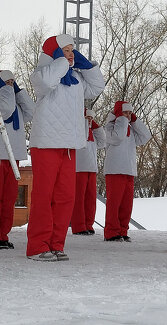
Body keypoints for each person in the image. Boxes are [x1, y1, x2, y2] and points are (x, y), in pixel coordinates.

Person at [27, 34, 105, 262]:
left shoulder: (78, 79)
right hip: (47, 143)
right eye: (66, 49)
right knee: (44, 195)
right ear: (54, 53)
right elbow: (46, 83)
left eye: (73, 50)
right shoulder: (42, 74)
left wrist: (88, 66)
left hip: (70, 144)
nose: (71, 54)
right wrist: (61, 61)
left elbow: (97, 86)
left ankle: (56, 244)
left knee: (65, 197)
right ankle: (37, 247)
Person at [0, 70, 34, 250]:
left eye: (13, 81)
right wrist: (6, 91)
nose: (11, 84)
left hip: (14, 157)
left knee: (9, 197)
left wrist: (20, 92)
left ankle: (2, 234)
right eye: (7, 81)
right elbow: (5, 111)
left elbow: (31, 113)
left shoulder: (13, 99)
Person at [103, 101, 151, 242]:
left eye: (130, 113)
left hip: (129, 169)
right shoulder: (109, 128)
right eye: (125, 112)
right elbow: (118, 137)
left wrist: (135, 121)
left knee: (126, 205)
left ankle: (123, 230)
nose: (128, 116)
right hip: (115, 169)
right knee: (114, 203)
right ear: (118, 113)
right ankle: (111, 232)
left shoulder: (130, 128)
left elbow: (145, 136)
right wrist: (122, 119)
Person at [71, 112, 104, 236]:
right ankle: (79, 226)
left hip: (91, 169)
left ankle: (88, 224)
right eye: (87, 118)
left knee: (90, 200)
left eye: (91, 118)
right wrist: (84, 123)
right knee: (79, 199)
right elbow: (82, 137)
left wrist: (95, 126)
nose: (89, 120)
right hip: (79, 169)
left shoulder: (93, 135)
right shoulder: (77, 132)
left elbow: (103, 142)